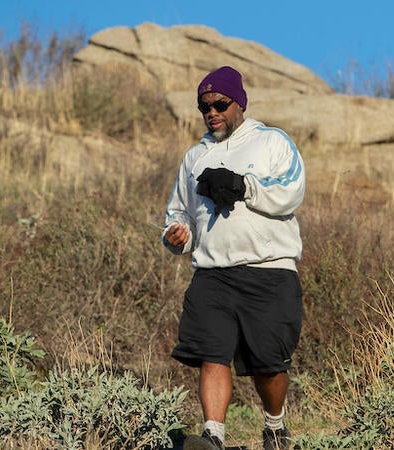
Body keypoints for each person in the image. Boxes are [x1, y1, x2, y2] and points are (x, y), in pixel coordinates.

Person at [161, 65, 306, 450]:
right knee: (213, 353)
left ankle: (274, 426)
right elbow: (179, 214)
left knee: (269, 364)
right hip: (212, 273)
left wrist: (244, 186)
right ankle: (213, 436)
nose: (212, 112)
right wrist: (177, 236)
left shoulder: (272, 142)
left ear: (239, 102)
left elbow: (292, 190)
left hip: (269, 270)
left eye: (220, 104)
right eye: (204, 107)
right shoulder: (194, 158)